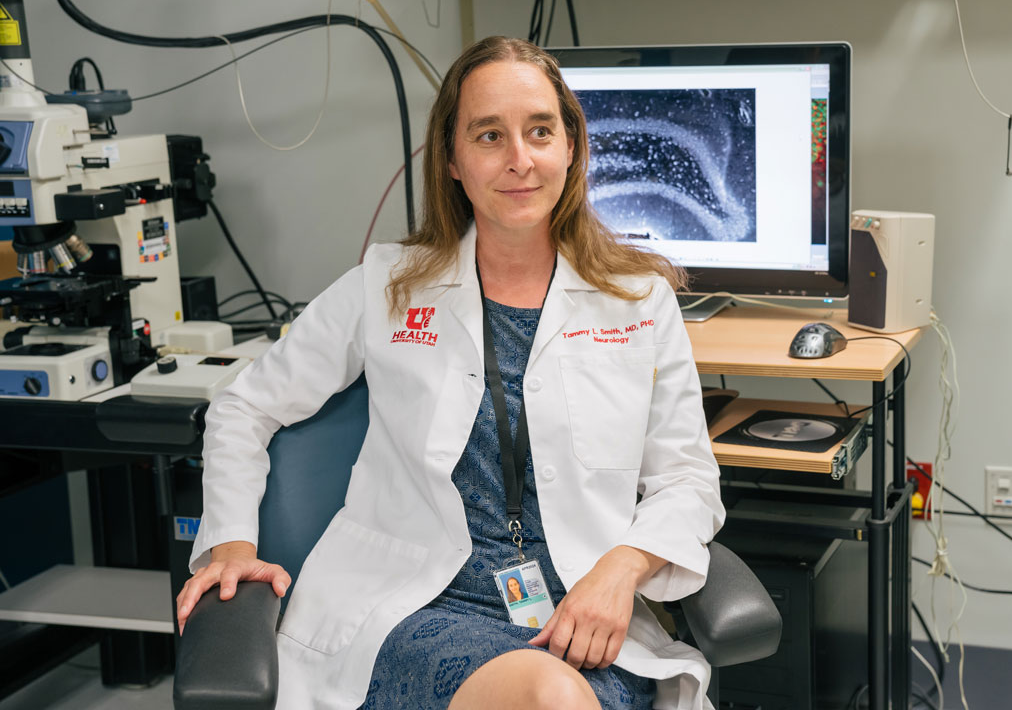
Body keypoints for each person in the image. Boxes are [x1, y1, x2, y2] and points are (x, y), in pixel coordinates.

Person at [175, 35, 724, 710]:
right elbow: (242, 406)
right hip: (414, 609)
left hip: (579, 615)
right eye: (489, 136)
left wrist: (624, 566)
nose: (520, 160)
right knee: (550, 698)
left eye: (540, 131)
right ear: (454, 161)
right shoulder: (387, 284)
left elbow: (687, 480)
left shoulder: (640, 300)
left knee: (561, 693)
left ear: (572, 147)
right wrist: (230, 543)